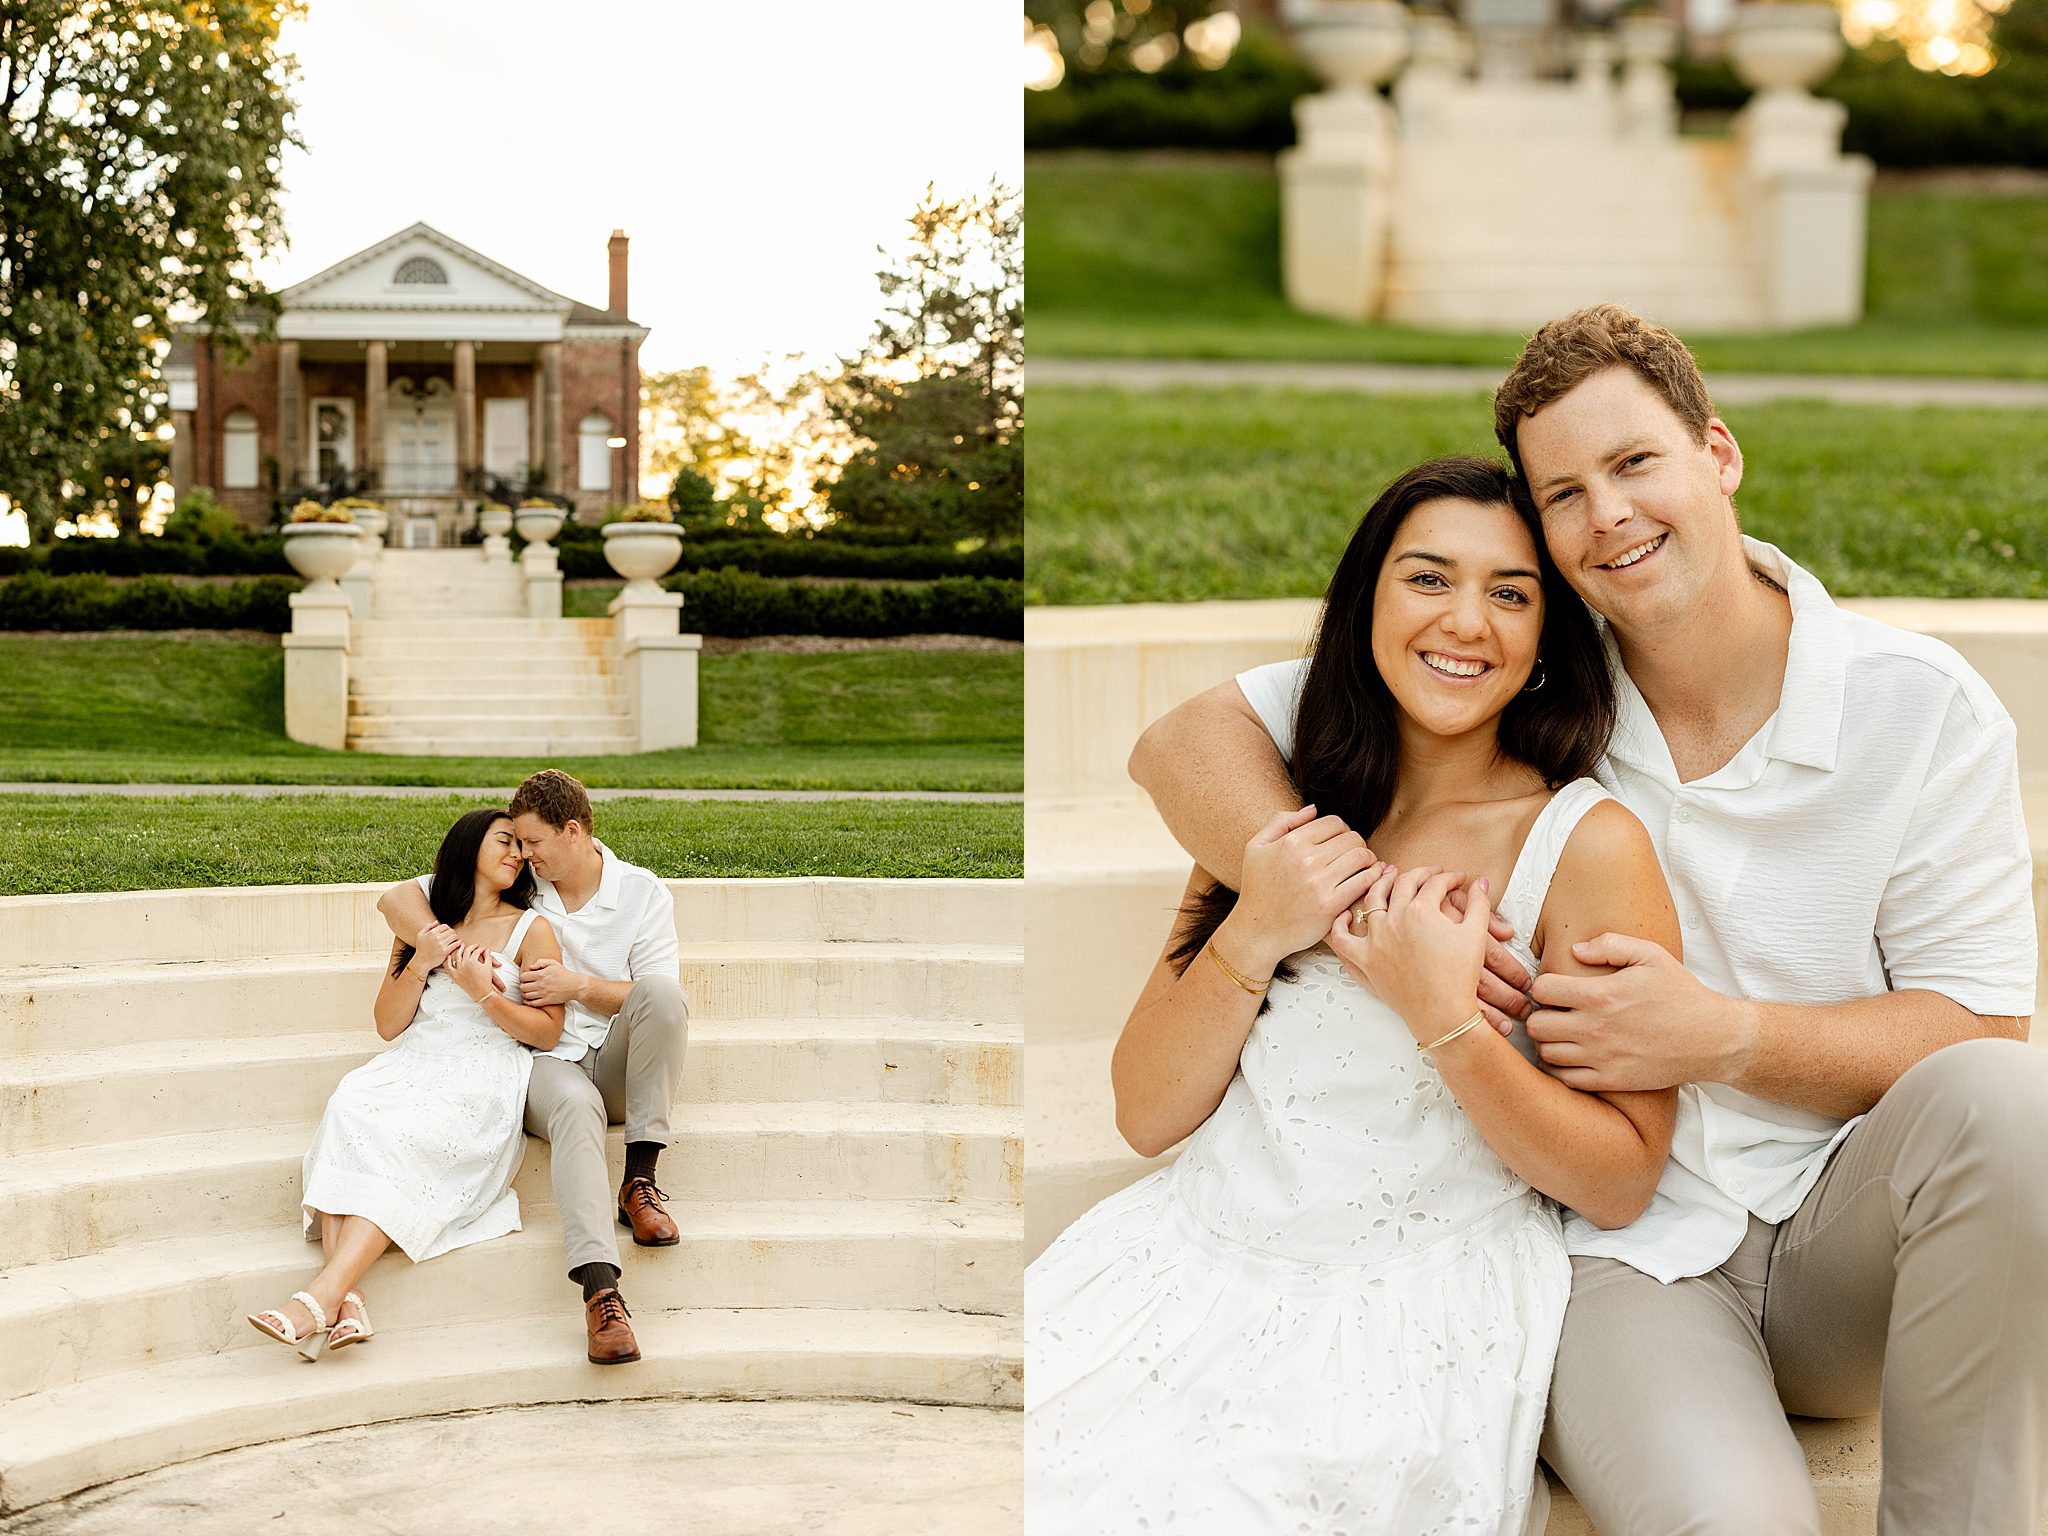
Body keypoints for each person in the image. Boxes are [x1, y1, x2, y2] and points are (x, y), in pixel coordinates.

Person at [1130, 306, 2045, 1534]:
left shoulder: (1920, 708)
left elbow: (1981, 1027)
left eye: (1633, 464)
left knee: (2009, 1101)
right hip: (1616, 1258)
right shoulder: (1515, 672)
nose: (1605, 515)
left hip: (1848, 1234)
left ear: (1715, 453)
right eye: (1562, 494)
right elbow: (1187, 742)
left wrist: (1723, 1038)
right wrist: (1371, 919)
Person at [1029, 456, 1684, 1534]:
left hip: (1408, 1308)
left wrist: (1445, 1018)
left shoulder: (1582, 844)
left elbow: (1619, 1179)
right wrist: (1264, 919)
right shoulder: (1291, 817)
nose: (1464, 622)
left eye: (1510, 594)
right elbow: (1144, 1113)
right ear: (1365, 605)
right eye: (1426, 578)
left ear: (1545, 641)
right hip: (1183, 1266)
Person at [377, 769, 687, 1366]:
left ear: (572, 832)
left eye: (533, 842)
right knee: (574, 1104)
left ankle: (640, 1180)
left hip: (617, 1061)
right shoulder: (519, 883)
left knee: (665, 995)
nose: (522, 854)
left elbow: (652, 1000)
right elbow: (397, 898)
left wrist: (579, 986)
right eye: (515, 842)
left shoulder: (642, 893)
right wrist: (446, 952)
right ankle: (601, 1292)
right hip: (543, 1063)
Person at [248, 807, 564, 1359]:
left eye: (521, 846)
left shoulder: (530, 929)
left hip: (481, 1071)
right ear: (468, 847)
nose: (517, 854)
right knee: (351, 1104)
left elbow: (547, 1031)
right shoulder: (425, 927)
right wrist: (424, 960)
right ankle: (343, 1299)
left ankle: (319, 1298)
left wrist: (481, 991)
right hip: (414, 1061)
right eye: (504, 841)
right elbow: (388, 1024)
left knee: (402, 1133)